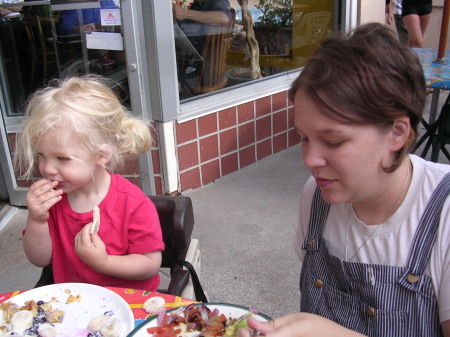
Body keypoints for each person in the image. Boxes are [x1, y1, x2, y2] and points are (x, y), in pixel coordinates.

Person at [240, 23, 450, 336]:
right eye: (304, 138)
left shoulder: (443, 213)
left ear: (397, 133)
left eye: (334, 141)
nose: (310, 160)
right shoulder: (316, 195)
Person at [15, 76, 164, 291]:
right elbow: (40, 259)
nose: (47, 168)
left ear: (101, 156)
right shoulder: (53, 201)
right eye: (42, 155)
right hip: (73, 300)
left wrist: (103, 262)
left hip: (129, 301)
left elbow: (150, 265)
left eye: (62, 158)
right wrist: (36, 220)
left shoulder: (132, 203)